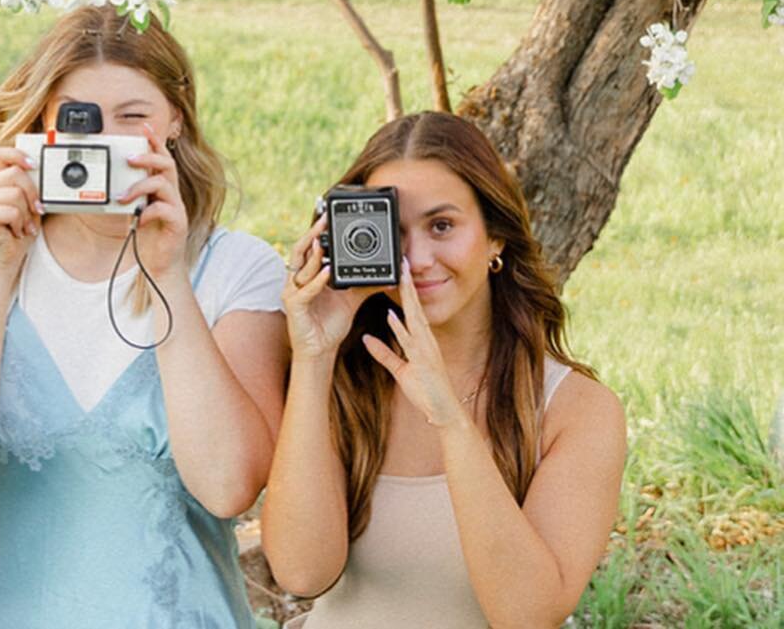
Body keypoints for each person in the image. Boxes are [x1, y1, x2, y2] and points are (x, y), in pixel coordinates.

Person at [0, 5, 289, 627]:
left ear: (175, 122)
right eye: (81, 119)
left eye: (133, 117)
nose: (105, 140)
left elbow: (228, 487)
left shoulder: (236, 270)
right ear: (44, 129)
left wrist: (166, 276)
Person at [261, 111, 626, 627]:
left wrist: (450, 420)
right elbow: (302, 572)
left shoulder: (577, 410)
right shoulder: (343, 380)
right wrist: (314, 358)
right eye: (393, 232)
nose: (419, 258)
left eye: (442, 226)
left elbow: (528, 614)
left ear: (495, 238)